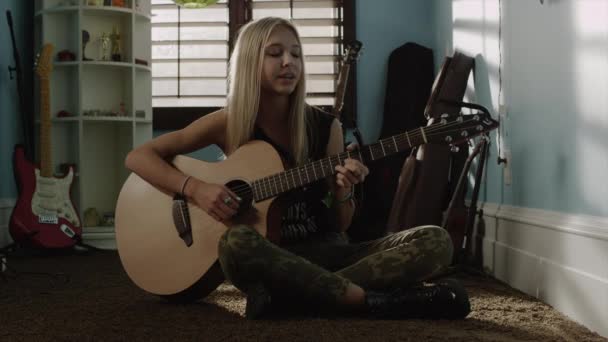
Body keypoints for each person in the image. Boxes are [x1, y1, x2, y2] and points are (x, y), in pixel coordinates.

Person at [125, 16, 470, 320]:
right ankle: (367, 300)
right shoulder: (230, 123)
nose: (288, 62)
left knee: (435, 241)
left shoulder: (325, 127)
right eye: (275, 53)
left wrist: (343, 190)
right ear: (249, 60)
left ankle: (304, 299)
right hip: (271, 259)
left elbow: (340, 224)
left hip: (330, 253)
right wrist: (196, 189)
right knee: (234, 243)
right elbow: (139, 157)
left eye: (295, 54)